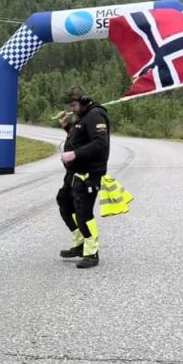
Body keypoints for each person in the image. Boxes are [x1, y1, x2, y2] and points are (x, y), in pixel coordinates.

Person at [56, 86, 110, 269]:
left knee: (84, 213)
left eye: (73, 105)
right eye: (70, 106)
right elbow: (81, 138)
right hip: (74, 173)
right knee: (65, 203)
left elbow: (100, 144)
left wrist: (75, 154)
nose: (71, 109)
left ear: (84, 100)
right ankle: (79, 245)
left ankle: (92, 252)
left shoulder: (96, 116)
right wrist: (67, 128)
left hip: (89, 173)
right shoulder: (83, 117)